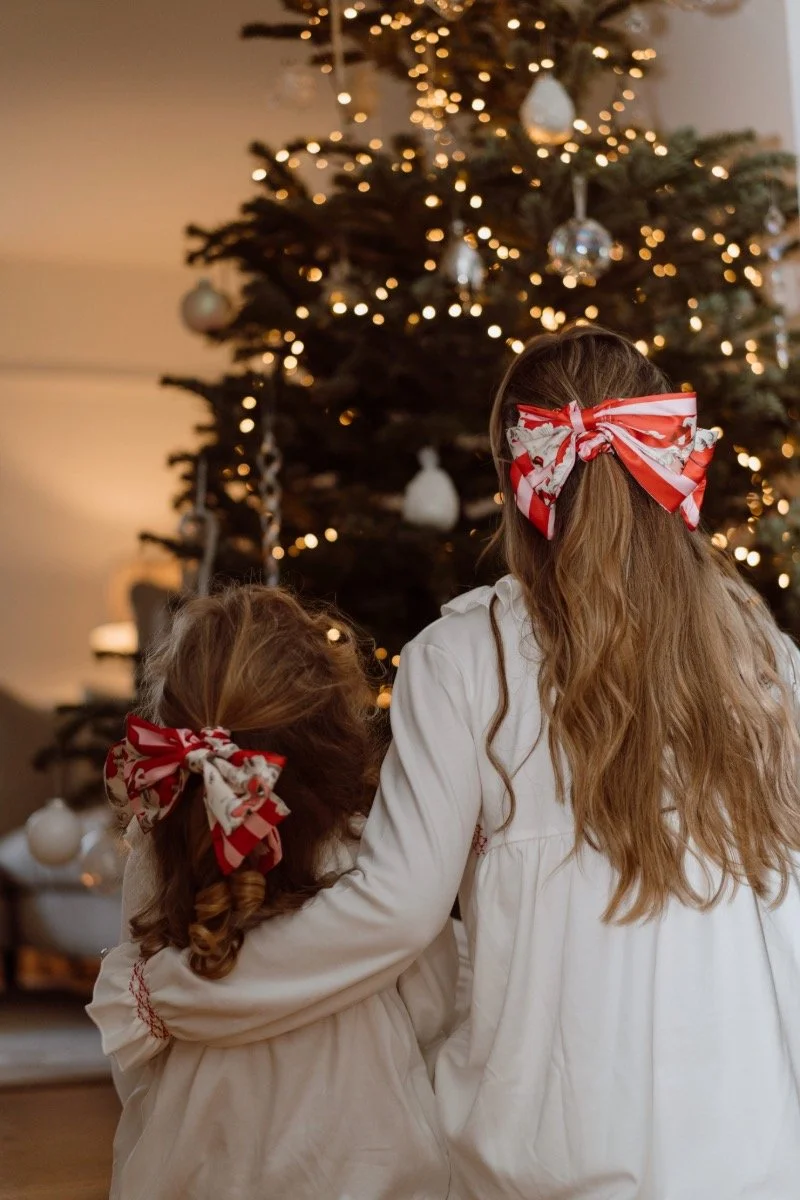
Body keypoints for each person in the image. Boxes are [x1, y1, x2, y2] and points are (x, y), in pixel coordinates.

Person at [90, 325, 800, 1200]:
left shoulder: (467, 657)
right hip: (754, 1148)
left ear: (515, 482)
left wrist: (181, 999)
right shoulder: (761, 654)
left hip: (548, 1157)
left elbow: (394, 914)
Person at [88, 586, 456, 1200]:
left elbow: (137, 1053)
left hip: (193, 1166)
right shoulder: (367, 851)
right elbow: (432, 1009)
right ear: (332, 729)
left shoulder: (155, 847)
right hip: (364, 1166)